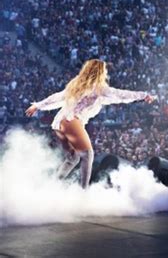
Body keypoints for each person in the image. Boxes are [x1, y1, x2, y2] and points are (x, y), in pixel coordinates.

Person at [25, 59, 155, 188]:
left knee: (73, 158)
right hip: (71, 121)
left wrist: (38, 106)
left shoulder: (76, 84)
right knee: (88, 154)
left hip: (60, 124)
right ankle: (84, 192)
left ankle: (52, 184)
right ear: (100, 72)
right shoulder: (99, 88)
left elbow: (58, 96)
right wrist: (143, 95)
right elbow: (120, 94)